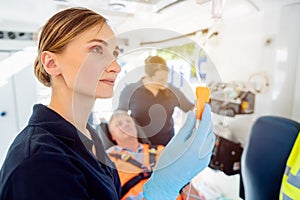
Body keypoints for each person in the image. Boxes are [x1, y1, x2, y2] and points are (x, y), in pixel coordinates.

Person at [0, 7, 215, 200]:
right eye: (96, 49)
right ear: (52, 63)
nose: (115, 66)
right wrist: (158, 192)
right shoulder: (39, 164)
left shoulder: (89, 137)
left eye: (114, 54)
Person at [106, 110, 205, 200]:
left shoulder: (160, 150)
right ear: (112, 136)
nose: (126, 124)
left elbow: (184, 183)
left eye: (128, 121)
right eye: (119, 124)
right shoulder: (108, 158)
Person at [117, 55, 194, 146]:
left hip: (166, 146)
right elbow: (119, 115)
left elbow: (191, 109)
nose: (164, 82)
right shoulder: (130, 90)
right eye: (160, 79)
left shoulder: (172, 91)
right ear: (147, 76)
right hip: (139, 146)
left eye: (166, 78)